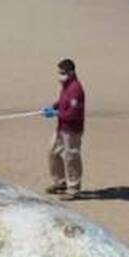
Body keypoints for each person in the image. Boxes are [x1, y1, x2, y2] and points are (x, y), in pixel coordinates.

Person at [44, 58, 85, 200]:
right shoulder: (66, 86)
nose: (60, 76)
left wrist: (56, 113)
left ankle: (73, 189)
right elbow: (62, 101)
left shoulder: (76, 89)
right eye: (59, 72)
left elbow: (73, 114)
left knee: (71, 157)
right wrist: (54, 106)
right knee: (53, 152)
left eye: (62, 73)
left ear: (71, 72)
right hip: (61, 126)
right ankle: (60, 182)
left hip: (72, 130)